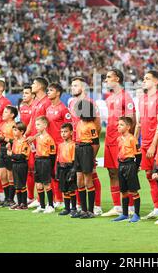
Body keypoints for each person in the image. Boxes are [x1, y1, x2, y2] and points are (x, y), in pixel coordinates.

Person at [102, 69, 136, 218]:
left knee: (125, 174)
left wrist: (128, 140)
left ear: (117, 79)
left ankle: (130, 207)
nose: (106, 80)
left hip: (120, 142)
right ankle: (117, 207)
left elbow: (131, 120)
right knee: (112, 172)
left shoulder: (125, 97)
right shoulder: (109, 97)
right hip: (109, 139)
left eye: (109, 77)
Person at [135, 71, 158, 220]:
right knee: (149, 175)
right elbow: (139, 123)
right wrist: (135, 140)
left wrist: (154, 145)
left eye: (147, 79)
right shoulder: (142, 99)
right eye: (143, 78)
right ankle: (157, 208)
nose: (144, 81)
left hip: (157, 144)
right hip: (144, 143)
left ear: (156, 82)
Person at [68, 77, 103, 215]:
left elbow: (98, 126)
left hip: (87, 146)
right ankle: (81, 207)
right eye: (72, 85)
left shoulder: (90, 103)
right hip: (77, 145)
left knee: (91, 175)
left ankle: (96, 205)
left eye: (75, 85)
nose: (72, 88)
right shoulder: (71, 103)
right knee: (79, 177)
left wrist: (91, 151)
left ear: (83, 87)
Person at [25, 77, 52, 209]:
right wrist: (26, 134)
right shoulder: (35, 101)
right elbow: (31, 121)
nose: (32, 85)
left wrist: (34, 136)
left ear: (41, 86)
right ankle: (38, 198)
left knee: (47, 170)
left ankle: (55, 200)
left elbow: (47, 125)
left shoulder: (47, 102)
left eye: (34, 83)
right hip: (34, 140)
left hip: (42, 141)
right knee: (34, 169)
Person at [46, 82, 72, 211]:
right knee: (52, 173)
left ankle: (70, 201)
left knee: (63, 173)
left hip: (61, 146)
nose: (48, 92)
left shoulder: (63, 109)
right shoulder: (48, 108)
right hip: (49, 146)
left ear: (58, 93)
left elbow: (69, 128)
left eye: (50, 90)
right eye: (48, 90)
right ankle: (58, 200)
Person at [72, 99, 100, 219]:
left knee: (88, 179)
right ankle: (83, 209)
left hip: (86, 149)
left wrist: (91, 157)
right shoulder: (79, 122)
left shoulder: (91, 125)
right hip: (78, 149)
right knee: (79, 180)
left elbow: (96, 143)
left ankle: (91, 210)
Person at [112, 116, 141, 223]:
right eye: (118, 124)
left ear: (128, 127)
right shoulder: (119, 139)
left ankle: (137, 215)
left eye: (121, 125)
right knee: (123, 191)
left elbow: (138, 155)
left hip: (130, 166)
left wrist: (136, 168)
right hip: (121, 166)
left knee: (133, 191)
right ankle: (124, 214)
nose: (118, 126)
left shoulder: (132, 139)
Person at [32, 116, 57, 214]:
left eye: (38, 124)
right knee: (38, 184)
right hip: (37, 160)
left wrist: (51, 168)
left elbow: (52, 154)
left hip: (46, 161)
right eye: (36, 125)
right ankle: (42, 205)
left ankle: (51, 205)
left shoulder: (49, 139)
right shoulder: (38, 136)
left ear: (45, 125)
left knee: (47, 184)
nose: (36, 127)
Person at [0, 105, 17, 208]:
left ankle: (11, 199)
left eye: (5, 112)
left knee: (10, 176)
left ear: (12, 115)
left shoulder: (15, 126)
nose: (3, 114)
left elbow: (16, 141)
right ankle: (6, 198)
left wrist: (5, 138)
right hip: (2, 150)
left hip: (10, 150)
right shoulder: (2, 125)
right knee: (2, 175)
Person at [7, 122, 31, 210]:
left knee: (22, 184)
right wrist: (9, 150)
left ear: (22, 131)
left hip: (22, 164)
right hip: (15, 164)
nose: (13, 131)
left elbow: (22, 156)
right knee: (16, 184)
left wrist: (10, 154)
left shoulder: (25, 142)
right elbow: (14, 153)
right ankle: (19, 202)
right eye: (13, 129)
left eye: (16, 130)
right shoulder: (15, 141)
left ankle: (24, 204)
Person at [56, 123, 77, 216]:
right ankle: (67, 208)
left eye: (66, 132)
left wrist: (73, 171)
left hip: (70, 168)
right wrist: (57, 171)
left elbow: (74, 160)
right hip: (62, 168)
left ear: (71, 132)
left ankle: (73, 208)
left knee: (71, 189)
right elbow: (58, 159)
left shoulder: (73, 145)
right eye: (62, 132)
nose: (63, 134)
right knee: (64, 189)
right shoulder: (60, 145)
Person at [19, 84, 36, 203]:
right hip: (24, 141)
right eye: (23, 93)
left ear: (33, 95)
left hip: (34, 141)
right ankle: (30, 197)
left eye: (26, 93)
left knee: (35, 169)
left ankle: (41, 198)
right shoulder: (22, 107)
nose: (24, 95)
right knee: (27, 169)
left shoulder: (36, 106)